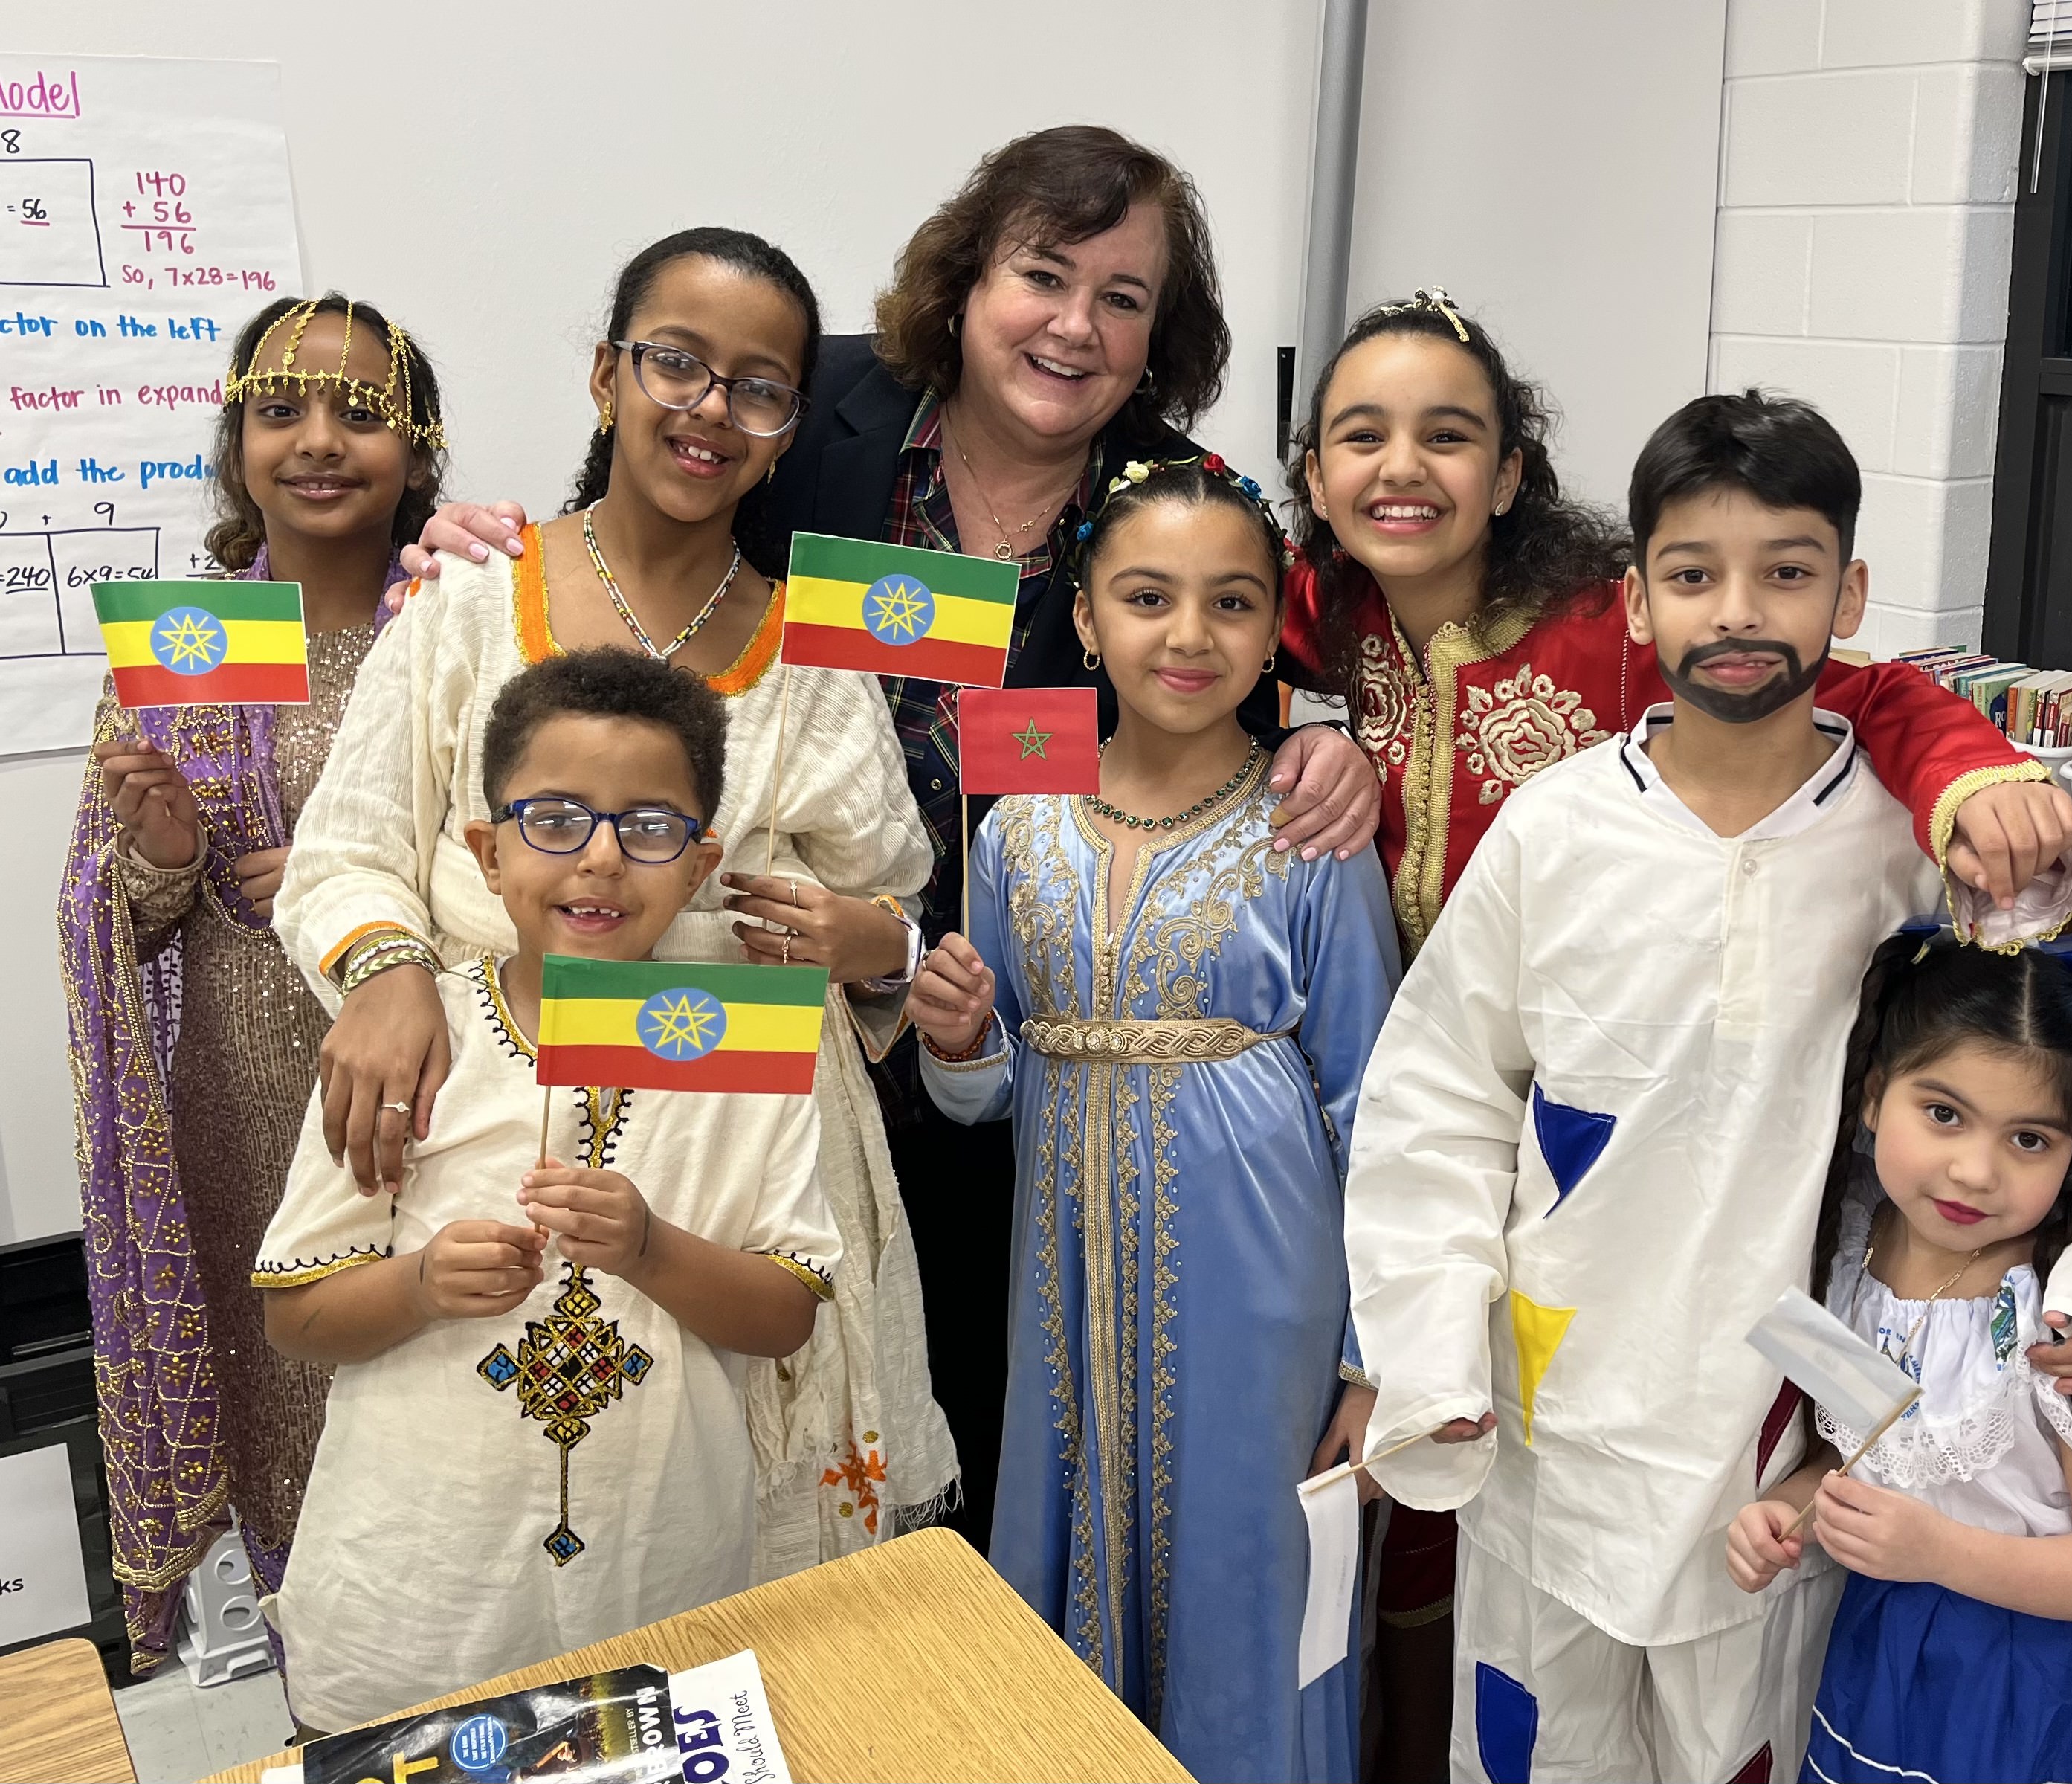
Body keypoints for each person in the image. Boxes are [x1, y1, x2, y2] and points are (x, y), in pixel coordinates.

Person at [401, 126, 1383, 1551]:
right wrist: (466, 540)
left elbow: (1265, 643)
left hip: (1023, 1038)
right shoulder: (816, 401)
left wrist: (1326, 721)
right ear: (969, 273)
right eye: (1043, 273)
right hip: (757, 1016)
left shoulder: (1175, 484)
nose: (1074, 324)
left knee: (982, 1420)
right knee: (737, 1414)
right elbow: (625, 539)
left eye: (1124, 297)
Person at [1279, 290, 2072, 1777]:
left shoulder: (1894, 843)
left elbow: (2018, 1068)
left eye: (1782, 575)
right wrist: (1427, 1337)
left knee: (1740, 1735)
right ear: (1634, 602)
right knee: (1536, 1735)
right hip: (1557, 1403)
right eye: (1692, 575)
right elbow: (1441, 1092)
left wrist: (2003, 812)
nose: (1735, 612)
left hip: (1781, 1424)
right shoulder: (1556, 823)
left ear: (1843, 598)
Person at [273, 228, 955, 1578]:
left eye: (759, 387)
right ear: (607, 375)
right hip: (496, 1104)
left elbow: (885, 895)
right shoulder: (469, 604)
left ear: (784, 432)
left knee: (762, 1539)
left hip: (748, 1122)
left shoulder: (814, 649)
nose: (711, 408)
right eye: (676, 364)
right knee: (525, 1513)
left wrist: (875, 943)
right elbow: (349, 847)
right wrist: (390, 967)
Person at [904, 457, 1400, 1783]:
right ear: (1083, 618)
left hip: (1267, 1292)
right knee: (1070, 1529)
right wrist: (958, 1041)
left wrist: (1369, 1358)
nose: (1190, 636)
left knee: (1250, 1563)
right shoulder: (1018, 829)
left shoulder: (1311, 831)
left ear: (1271, 625)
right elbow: (994, 1080)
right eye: (1147, 596)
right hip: (1059, 1273)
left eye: (1233, 602)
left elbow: (1374, 1105)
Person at [256, 649, 836, 1732]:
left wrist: (653, 1249)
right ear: (485, 848)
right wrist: (422, 1285)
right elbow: (297, 1310)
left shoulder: (742, 1054)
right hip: (420, 1600)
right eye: (555, 818)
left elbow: (787, 1312)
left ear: (702, 857)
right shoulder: (408, 1041)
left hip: (658, 1577)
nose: (603, 858)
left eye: (650, 825)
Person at [58, 294, 445, 1670]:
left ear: (421, 442)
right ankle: (332, 1699)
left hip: (436, 1077)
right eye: (283, 410)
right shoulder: (184, 640)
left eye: (361, 412)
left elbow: (548, 839)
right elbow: (119, 918)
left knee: (449, 1387)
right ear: (238, 442)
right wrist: (165, 854)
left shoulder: (459, 619)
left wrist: (380, 885)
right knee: (296, 1413)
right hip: (247, 1091)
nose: (320, 441)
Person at [1724, 933, 2072, 1784]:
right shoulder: (1846, 1250)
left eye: (2027, 1139)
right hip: (1896, 1653)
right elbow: (1861, 1444)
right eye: (1942, 1113)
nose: (1973, 1170)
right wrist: (1789, 1506)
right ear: (1873, 1097)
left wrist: (1937, 1551)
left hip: (2055, 1684)